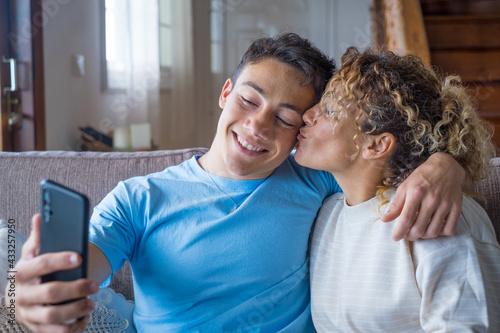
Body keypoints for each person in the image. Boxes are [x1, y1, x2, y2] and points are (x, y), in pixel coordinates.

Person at [10, 34, 468, 332]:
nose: (258, 127)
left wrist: (447, 163)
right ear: (226, 93)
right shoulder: (139, 199)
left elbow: (390, 152)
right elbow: (86, 264)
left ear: (301, 133)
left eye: (285, 119)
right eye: (249, 100)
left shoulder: (316, 181)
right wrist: (39, 295)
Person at [295, 47, 500, 331]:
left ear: (376, 145)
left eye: (329, 110)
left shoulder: (438, 212)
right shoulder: (326, 213)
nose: (308, 115)